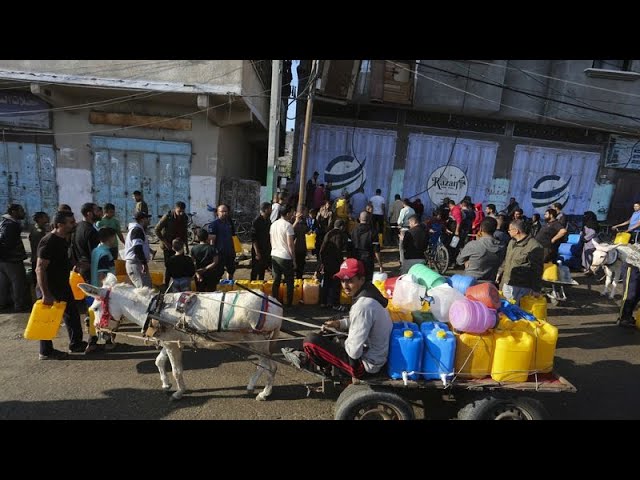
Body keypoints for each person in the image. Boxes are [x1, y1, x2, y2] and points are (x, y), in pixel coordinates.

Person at [282, 258, 392, 379]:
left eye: (350, 280)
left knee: (310, 341)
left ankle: (319, 365)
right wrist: (338, 324)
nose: (345, 285)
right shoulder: (369, 293)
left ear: (361, 279)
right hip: (373, 352)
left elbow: (354, 352)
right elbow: (360, 321)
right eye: (342, 281)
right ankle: (319, 356)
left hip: (366, 365)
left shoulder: (363, 306)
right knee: (336, 320)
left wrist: (338, 342)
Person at [36, 211, 87, 359]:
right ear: (59, 225)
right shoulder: (48, 241)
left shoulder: (63, 239)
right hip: (50, 288)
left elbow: (62, 259)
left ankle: (76, 344)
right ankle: (45, 352)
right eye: (70, 222)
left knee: (72, 315)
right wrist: (46, 294)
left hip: (63, 285)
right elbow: (40, 269)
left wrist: (76, 264)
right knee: (47, 319)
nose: (74, 224)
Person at [496, 219, 544, 305]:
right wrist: (500, 272)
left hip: (521, 286)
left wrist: (536, 289)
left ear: (516, 231)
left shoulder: (534, 247)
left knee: (516, 310)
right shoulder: (512, 242)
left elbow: (537, 270)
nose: (508, 231)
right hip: (507, 281)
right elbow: (507, 259)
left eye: (509, 230)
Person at [86, 227, 117, 352]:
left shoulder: (96, 250)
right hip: (102, 291)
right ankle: (108, 341)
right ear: (111, 238)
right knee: (105, 316)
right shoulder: (105, 254)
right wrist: (106, 292)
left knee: (93, 316)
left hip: (93, 289)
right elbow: (102, 275)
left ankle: (92, 342)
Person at [0, 204, 30, 312]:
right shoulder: (12, 225)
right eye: (21, 211)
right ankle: (19, 305)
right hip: (12, 260)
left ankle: (2, 304)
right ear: (13, 212)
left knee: (3, 283)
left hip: (4, 260)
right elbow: (8, 243)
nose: (23, 213)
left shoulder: (4, 222)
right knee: (18, 283)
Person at [155, 201, 189, 285]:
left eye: (182, 212)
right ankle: (166, 284)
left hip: (179, 245)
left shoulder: (185, 217)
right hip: (168, 246)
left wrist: (186, 246)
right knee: (169, 266)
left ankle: (178, 284)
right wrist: (165, 242)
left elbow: (185, 232)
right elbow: (156, 230)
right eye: (179, 211)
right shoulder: (167, 217)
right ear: (175, 209)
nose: (181, 213)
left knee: (180, 265)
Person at [317, 219, 347, 309]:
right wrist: (342, 261)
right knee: (336, 283)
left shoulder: (328, 233)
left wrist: (321, 262)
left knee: (326, 282)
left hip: (326, 262)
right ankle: (335, 304)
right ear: (341, 227)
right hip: (335, 263)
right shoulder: (340, 235)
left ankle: (323, 302)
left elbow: (322, 249)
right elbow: (338, 250)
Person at [270, 205, 296, 307]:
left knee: (276, 280)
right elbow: (290, 244)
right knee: (289, 281)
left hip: (275, 254)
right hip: (285, 256)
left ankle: (274, 302)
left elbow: (271, 241)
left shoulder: (273, 224)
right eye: (292, 212)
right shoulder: (288, 225)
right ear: (288, 213)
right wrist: (294, 260)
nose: (292, 214)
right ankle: (288, 303)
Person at [207, 204, 236, 285]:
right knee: (218, 272)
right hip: (219, 253)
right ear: (217, 213)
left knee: (231, 270)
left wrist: (234, 250)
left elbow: (233, 237)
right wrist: (213, 253)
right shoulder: (214, 224)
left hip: (230, 252)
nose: (224, 213)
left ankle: (229, 285)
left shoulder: (229, 223)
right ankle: (218, 287)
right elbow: (211, 240)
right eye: (222, 211)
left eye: (226, 211)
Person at [124, 211, 153, 288]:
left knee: (146, 288)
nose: (149, 220)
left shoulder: (138, 230)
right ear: (142, 220)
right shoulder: (137, 231)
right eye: (147, 218)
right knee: (144, 290)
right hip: (135, 264)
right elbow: (137, 248)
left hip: (137, 263)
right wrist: (144, 263)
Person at [351, 211, 383, 282]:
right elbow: (376, 250)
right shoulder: (373, 232)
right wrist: (380, 264)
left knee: (356, 280)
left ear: (359, 219)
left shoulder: (353, 230)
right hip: (367, 260)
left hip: (355, 259)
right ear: (369, 219)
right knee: (367, 281)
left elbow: (349, 247)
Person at [28, 211, 49, 297]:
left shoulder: (34, 228)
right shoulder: (39, 232)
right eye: (45, 217)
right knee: (40, 282)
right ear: (40, 219)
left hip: (35, 259)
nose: (47, 218)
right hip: (38, 260)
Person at [250, 202, 272, 281]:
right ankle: (252, 285)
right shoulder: (257, 221)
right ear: (265, 210)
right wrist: (257, 252)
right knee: (255, 270)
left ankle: (260, 285)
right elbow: (253, 239)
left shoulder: (268, 220)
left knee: (262, 270)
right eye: (270, 209)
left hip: (266, 249)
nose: (271, 210)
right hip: (258, 250)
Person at [292, 206, 309, 279]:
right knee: (293, 267)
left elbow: (306, 230)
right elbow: (289, 231)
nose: (306, 213)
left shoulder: (304, 221)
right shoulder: (292, 220)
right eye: (305, 212)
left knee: (301, 267)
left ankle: (299, 280)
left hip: (302, 247)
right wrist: (296, 221)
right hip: (294, 248)